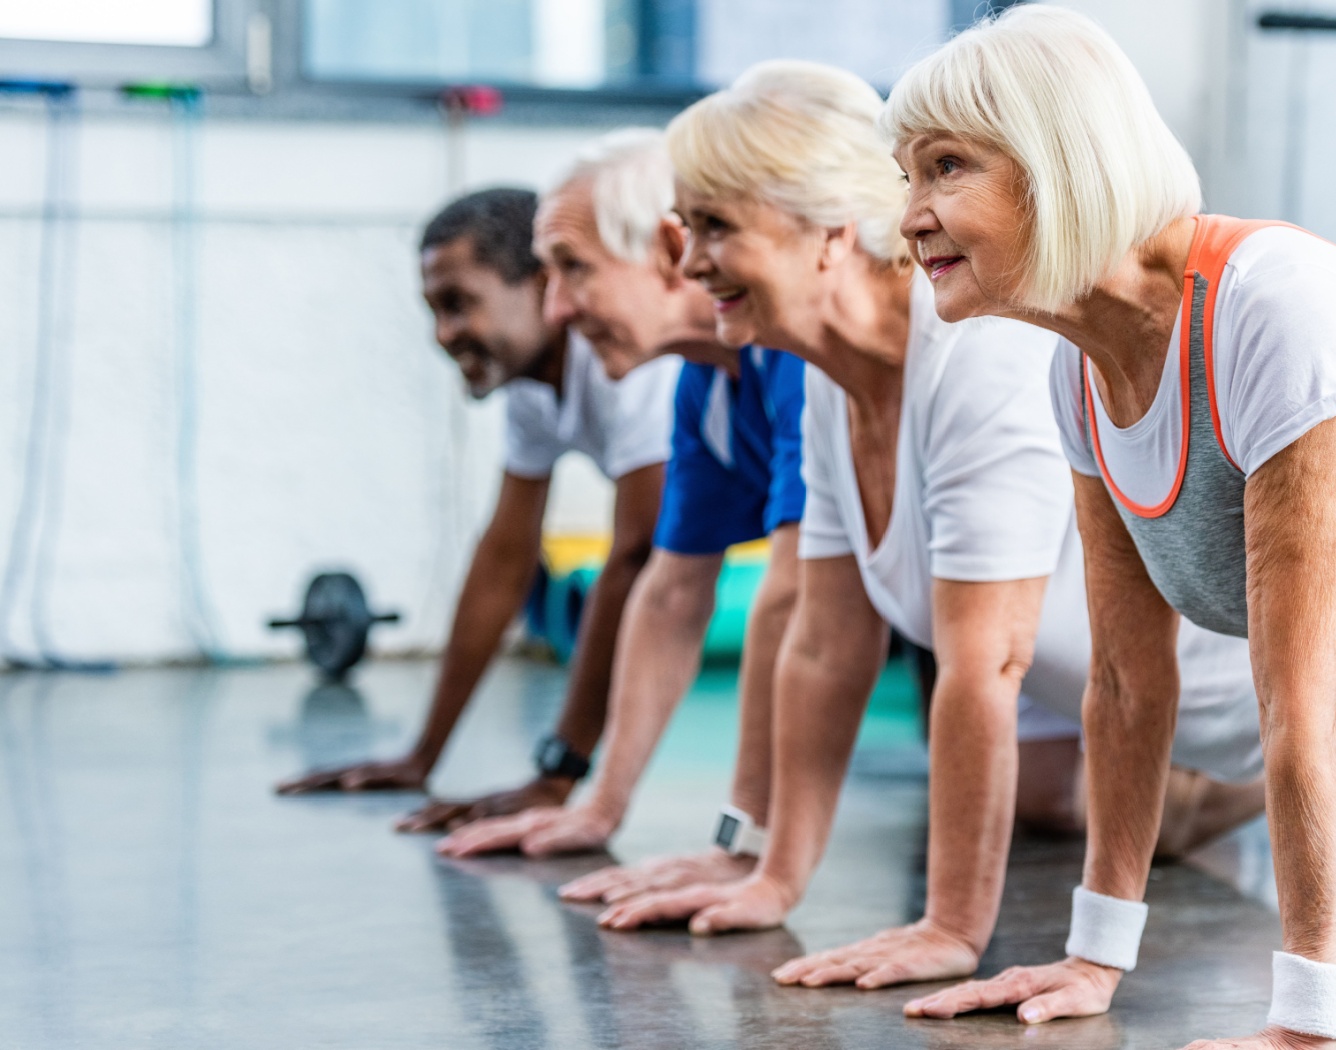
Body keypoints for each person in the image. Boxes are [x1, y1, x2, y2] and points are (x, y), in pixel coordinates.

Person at [877, 7, 1336, 1048]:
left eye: (944, 168)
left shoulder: (1278, 308)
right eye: (906, 175)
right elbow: (1128, 688)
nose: (909, 215)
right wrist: (1094, 956)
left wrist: (1306, 1025)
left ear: (1056, 159)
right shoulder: (1080, 377)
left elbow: (1294, 705)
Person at [573, 61, 1268, 994]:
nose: (690, 264)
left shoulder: (977, 354)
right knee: (1057, 798)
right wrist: (771, 869)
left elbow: (986, 665)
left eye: (715, 228)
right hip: (1140, 720)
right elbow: (825, 646)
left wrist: (951, 926)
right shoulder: (827, 380)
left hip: (1258, 713)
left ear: (826, 231)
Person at [435, 132, 808, 897]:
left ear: (670, 252)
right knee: (1045, 801)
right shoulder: (700, 388)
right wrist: (600, 804)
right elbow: (670, 593)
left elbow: (792, 600)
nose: (559, 307)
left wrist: (751, 851)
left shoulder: (790, 361)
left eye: (574, 271)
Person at [276, 188, 680, 832]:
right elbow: (503, 560)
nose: (444, 334)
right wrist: (422, 755)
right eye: (433, 310)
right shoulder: (533, 383)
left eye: (460, 305)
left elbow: (636, 556)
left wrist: (556, 776)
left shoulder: (627, 364)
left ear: (545, 287)